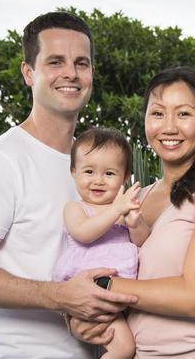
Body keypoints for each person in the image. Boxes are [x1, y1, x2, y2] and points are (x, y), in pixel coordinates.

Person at [0, 12, 137, 358]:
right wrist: (62, 298)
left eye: (82, 63)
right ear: (28, 73)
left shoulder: (94, 167)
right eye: (55, 61)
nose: (71, 74)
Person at [71, 67, 195, 358]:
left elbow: (192, 298)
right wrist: (83, 321)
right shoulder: (134, 199)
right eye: (157, 113)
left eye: (183, 114)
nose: (169, 127)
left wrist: (99, 287)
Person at [52, 127, 150, 359]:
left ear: (125, 177)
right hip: (90, 293)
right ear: (73, 172)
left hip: (117, 294)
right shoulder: (76, 208)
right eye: (89, 171)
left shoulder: (123, 209)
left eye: (109, 174)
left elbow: (142, 241)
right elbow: (84, 233)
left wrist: (135, 223)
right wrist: (116, 210)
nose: (98, 181)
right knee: (124, 349)